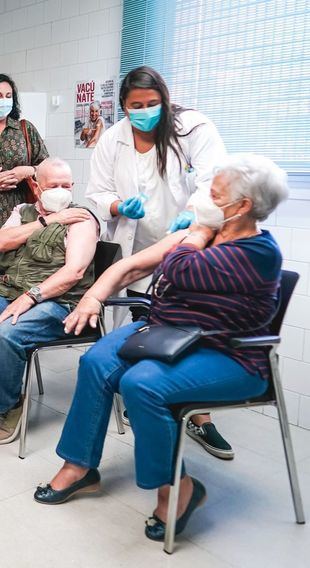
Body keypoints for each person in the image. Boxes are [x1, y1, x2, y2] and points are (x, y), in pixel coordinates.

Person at [34, 154, 288, 542]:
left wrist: (197, 233)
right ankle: (79, 466)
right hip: (170, 332)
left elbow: (179, 267)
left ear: (242, 207)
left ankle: (177, 488)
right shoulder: (208, 230)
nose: (202, 198)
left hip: (230, 354)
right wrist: (93, 299)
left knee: (143, 384)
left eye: (213, 193)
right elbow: (132, 266)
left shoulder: (257, 253)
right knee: (97, 360)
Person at [86, 65, 230, 456]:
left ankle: (200, 417)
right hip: (136, 246)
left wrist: (196, 214)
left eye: (152, 104)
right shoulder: (113, 139)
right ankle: (147, 398)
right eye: (136, 105)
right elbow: (97, 191)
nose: (145, 111)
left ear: (165, 101)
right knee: (142, 324)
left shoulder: (192, 128)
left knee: (189, 329)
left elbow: (214, 181)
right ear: (123, 106)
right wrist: (118, 205)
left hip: (186, 243)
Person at [0, 158, 99, 444]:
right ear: (36, 186)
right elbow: (3, 242)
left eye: (66, 185)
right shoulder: (23, 211)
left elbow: (74, 271)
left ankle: (8, 407)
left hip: (59, 302)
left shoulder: (81, 218)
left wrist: (32, 296)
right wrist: (48, 220)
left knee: (6, 334)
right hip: (12, 290)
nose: (61, 191)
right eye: (53, 186)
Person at [0, 74, 49, 227]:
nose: (4, 101)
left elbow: (48, 167)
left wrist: (27, 170)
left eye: (8, 96)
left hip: (19, 215)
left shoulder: (24, 129)